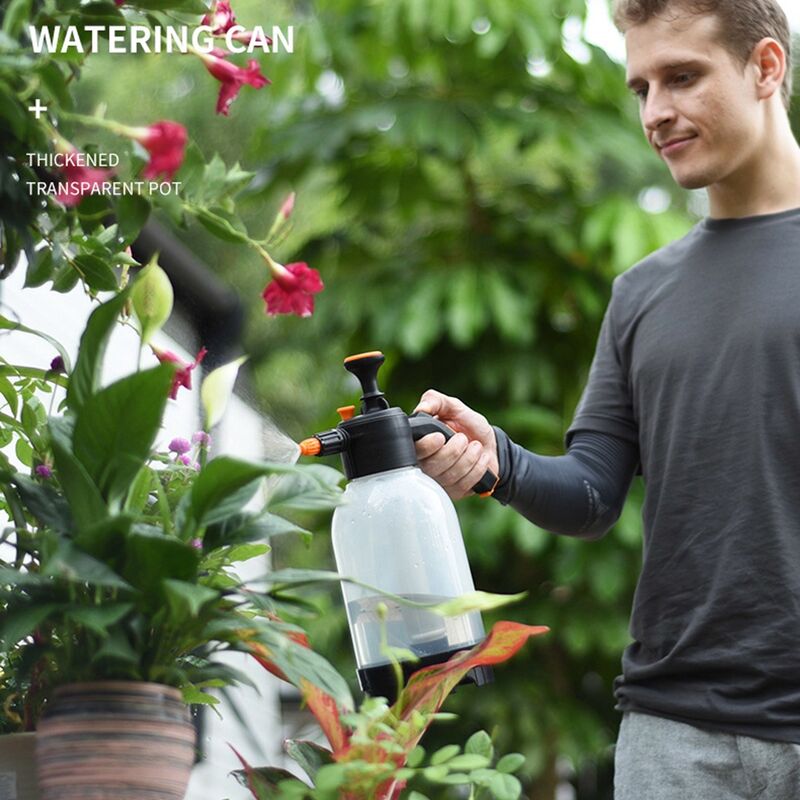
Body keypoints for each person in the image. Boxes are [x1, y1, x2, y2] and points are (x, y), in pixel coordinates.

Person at [413, 1, 800, 797]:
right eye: (641, 88)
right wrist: (499, 465)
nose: (657, 112)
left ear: (767, 68)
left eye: (683, 77)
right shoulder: (641, 295)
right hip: (672, 734)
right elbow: (594, 493)